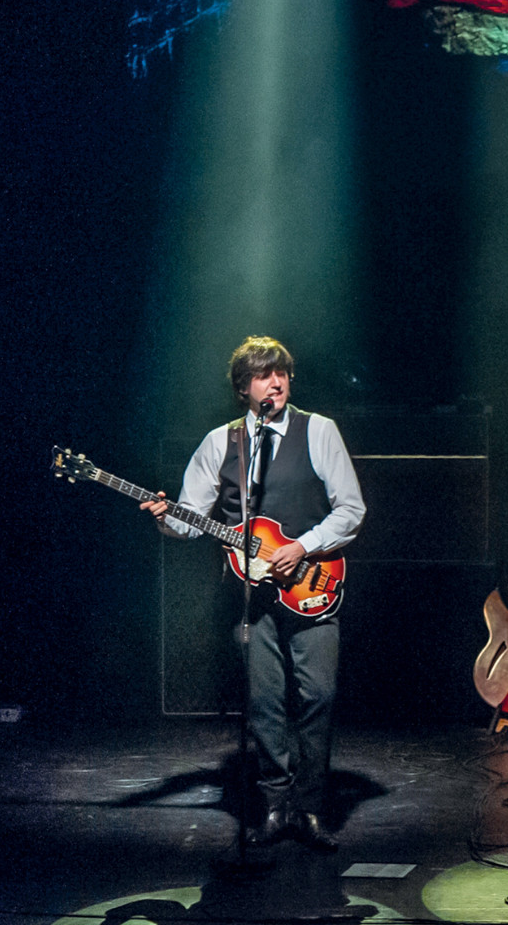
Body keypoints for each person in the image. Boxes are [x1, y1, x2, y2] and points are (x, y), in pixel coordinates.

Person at [143, 336, 367, 851]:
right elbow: (191, 520)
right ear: (243, 387)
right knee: (263, 703)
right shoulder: (221, 443)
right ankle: (274, 805)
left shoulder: (319, 431)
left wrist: (304, 546)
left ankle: (311, 805)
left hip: (311, 584)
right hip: (250, 597)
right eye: (264, 375)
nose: (276, 382)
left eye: (281, 372)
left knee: (318, 695)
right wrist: (165, 518)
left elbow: (351, 509)